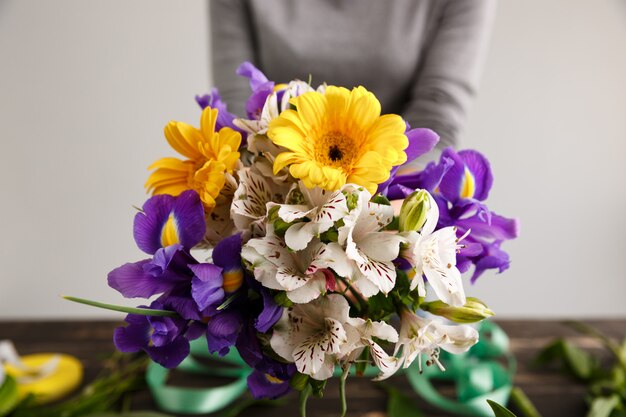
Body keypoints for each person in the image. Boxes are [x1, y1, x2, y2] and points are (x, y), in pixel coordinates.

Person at [210, 0, 495, 150]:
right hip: (274, 190)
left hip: (394, 200)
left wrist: (379, 214)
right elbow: (239, 109)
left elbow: (437, 119)